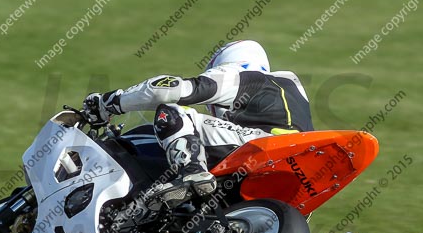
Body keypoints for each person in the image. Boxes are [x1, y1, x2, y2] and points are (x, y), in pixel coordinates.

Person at [83, 40, 313, 207]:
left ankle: (191, 171)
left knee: (171, 111)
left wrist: (109, 103)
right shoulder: (294, 92)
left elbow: (168, 90)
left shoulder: (242, 75)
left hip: (263, 146)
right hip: (297, 169)